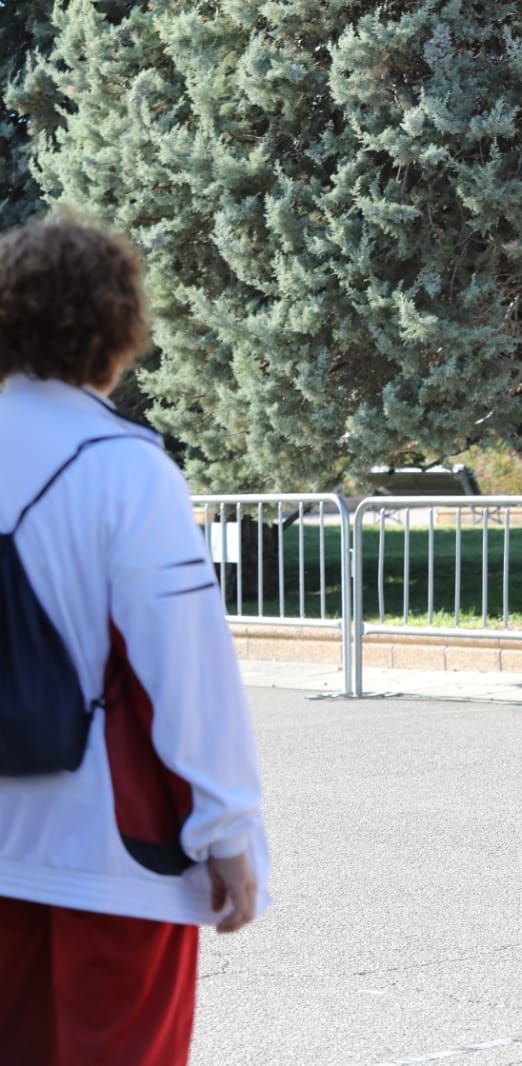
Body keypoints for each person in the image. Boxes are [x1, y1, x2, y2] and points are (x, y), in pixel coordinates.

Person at [0, 217, 270, 1065]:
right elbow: (186, 672)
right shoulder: (125, 468)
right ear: (117, 329)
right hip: (107, 856)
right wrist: (229, 836)